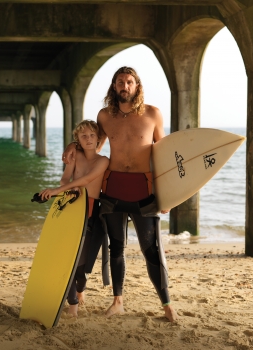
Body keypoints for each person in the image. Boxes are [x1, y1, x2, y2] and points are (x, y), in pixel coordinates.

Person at [62, 66, 178, 322]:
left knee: (152, 249)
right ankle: (118, 301)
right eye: (119, 82)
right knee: (116, 248)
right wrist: (73, 144)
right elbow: (92, 143)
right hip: (113, 188)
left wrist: (168, 193)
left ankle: (167, 304)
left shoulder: (153, 114)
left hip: (143, 190)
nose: (124, 86)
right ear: (114, 87)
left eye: (129, 82)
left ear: (137, 86)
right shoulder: (105, 116)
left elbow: (165, 154)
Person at [39, 120, 109, 318]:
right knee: (69, 258)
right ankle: (73, 305)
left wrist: (57, 191)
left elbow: (87, 180)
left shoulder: (104, 160)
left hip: (92, 210)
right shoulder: (75, 155)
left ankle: (80, 288)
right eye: (83, 136)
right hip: (73, 206)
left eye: (92, 135)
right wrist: (69, 188)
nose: (88, 139)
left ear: (98, 139)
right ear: (77, 139)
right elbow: (65, 178)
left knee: (83, 266)